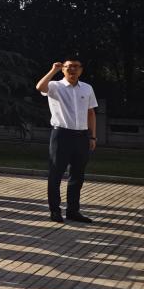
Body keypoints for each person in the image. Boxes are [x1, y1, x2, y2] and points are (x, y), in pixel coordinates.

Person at [36, 60, 97, 223]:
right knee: (56, 174)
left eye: (76, 67)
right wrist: (53, 70)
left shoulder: (87, 88)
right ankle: (55, 211)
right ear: (63, 70)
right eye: (69, 67)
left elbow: (91, 113)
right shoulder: (55, 86)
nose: (72, 69)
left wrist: (92, 136)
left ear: (81, 70)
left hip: (82, 136)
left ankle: (73, 211)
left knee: (77, 175)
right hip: (61, 135)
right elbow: (40, 87)